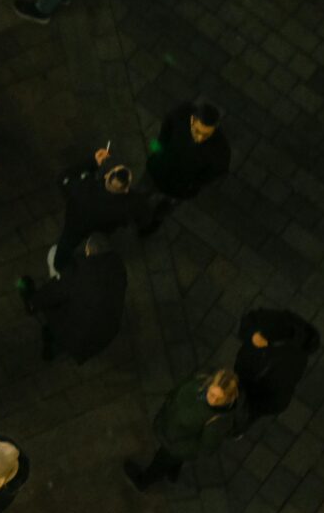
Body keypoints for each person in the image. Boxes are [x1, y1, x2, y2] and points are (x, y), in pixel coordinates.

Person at [124, 368, 243, 490]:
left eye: (220, 399)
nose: (213, 401)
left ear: (228, 399)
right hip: (172, 433)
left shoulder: (218, 420)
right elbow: (179, 391)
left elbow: (207, 447)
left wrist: (179, 448)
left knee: (159, 463)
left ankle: (143, 481)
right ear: (210, 383)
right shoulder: (199, 381)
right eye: (212, 394)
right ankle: (172, 472)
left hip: (176, 445)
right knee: (171, 462)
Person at [27, 235, 127, 362]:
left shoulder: (78, 273)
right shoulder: (118, 267)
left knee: (59, 316)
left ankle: (53, 347)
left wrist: (32, 301)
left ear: (88, 251)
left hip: (78, 338)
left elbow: (52, 293)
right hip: (106, 333)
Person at [141, 98, 229, 228]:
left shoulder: (220, 150)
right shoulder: (179, 117)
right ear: (192, 120)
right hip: (158, 171)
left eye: (206, 135)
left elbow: (213, 175)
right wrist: (158, 151)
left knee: (164, 208)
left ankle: (152, 224)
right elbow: (165, 131)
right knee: (143, 192)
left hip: (179, 188)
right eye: (197, 131)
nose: (200, 138)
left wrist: (191, 186)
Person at [233, 309, 321, 420]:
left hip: (253, 396)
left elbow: (278, 400)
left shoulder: (289, 364)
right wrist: (251, 336)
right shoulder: (275, 322)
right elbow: (249, 321)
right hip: (246, 376)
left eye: (263, 336)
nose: (259, 337)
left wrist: (250, 406)